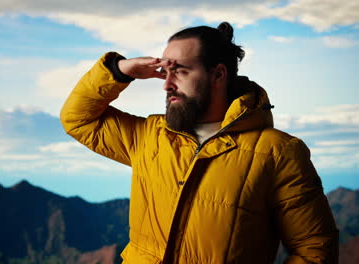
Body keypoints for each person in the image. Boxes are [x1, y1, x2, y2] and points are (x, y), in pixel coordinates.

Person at [60, 22, 338, 264]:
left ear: (218, 75)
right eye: (163, 71)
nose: (166, 85)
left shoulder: (278, 153)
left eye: (179, 71)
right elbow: (77, 119)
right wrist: (121, 71)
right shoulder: (149, 136)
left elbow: (315, 250)